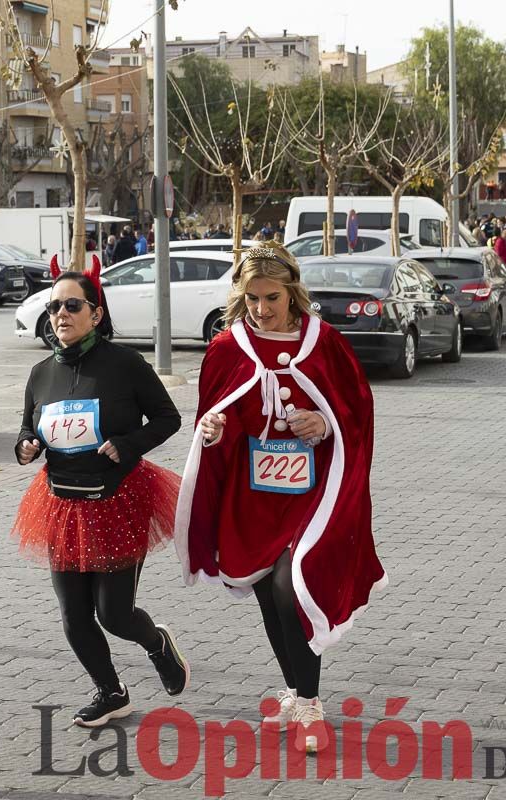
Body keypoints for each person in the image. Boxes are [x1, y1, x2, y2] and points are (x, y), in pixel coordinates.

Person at [175, 243, 385, 754]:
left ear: (293, 292)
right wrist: (216, 429)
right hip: (255, 492)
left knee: (294, 584)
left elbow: (356, 410)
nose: (262, 309)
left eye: (272, 297)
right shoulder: (228, 347)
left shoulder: (324, 343)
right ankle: (295, 691)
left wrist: (325, 422)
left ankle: (311, 705)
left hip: (314, 491)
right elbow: (216, 416)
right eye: (252, 299)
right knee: (269, 592)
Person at [12, 258, 188, 728]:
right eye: (54, 307)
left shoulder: (125, 364)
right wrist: (26, 445)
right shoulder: (41, 372)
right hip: (60, 501)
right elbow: (29, 427)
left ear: (96, 313)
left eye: (72, 305)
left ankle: (156, 643)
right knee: (74, 615)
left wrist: (129, 445)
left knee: (114, 613)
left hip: (117, 498)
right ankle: (111, 691)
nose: (61, 315)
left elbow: (168, 418)